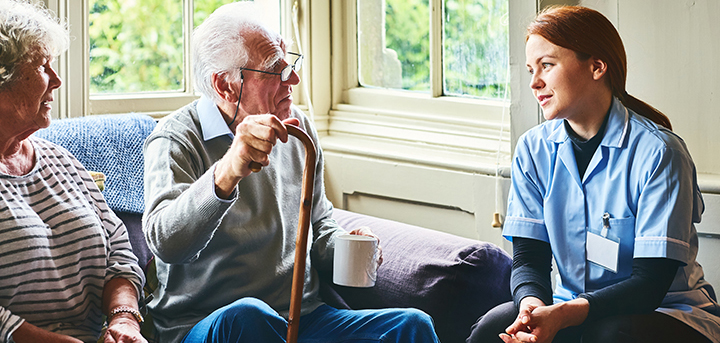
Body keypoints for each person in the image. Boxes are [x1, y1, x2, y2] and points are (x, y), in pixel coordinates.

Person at [142, 2, 439, 342]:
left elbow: (319, 224)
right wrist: (228, 170)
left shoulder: (297, 131)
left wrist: (345, 245)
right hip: (207, 323)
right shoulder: (175, 138)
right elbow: (166, 243)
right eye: (275, 70)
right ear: (225, 86)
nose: (294, 78)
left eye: (289, 64)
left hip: (301, 319)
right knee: (247, 316)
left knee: (411, 326)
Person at [467, 5, 720, 343]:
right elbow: (529, 257)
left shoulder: (660, 153)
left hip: (666, 311)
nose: (534, 82)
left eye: (547, 65)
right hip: (567, 306)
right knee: (491, 328)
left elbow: (650, 285)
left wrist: (563, 315)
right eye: (530, 69)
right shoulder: (532, 149)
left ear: (597, 66)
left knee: (609, 335)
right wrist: (531, 308)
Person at [0, 1, 146, 343]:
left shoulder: (61, 160)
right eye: (41, 66)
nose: (57, 80)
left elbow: (120, 252)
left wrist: (124, 320)